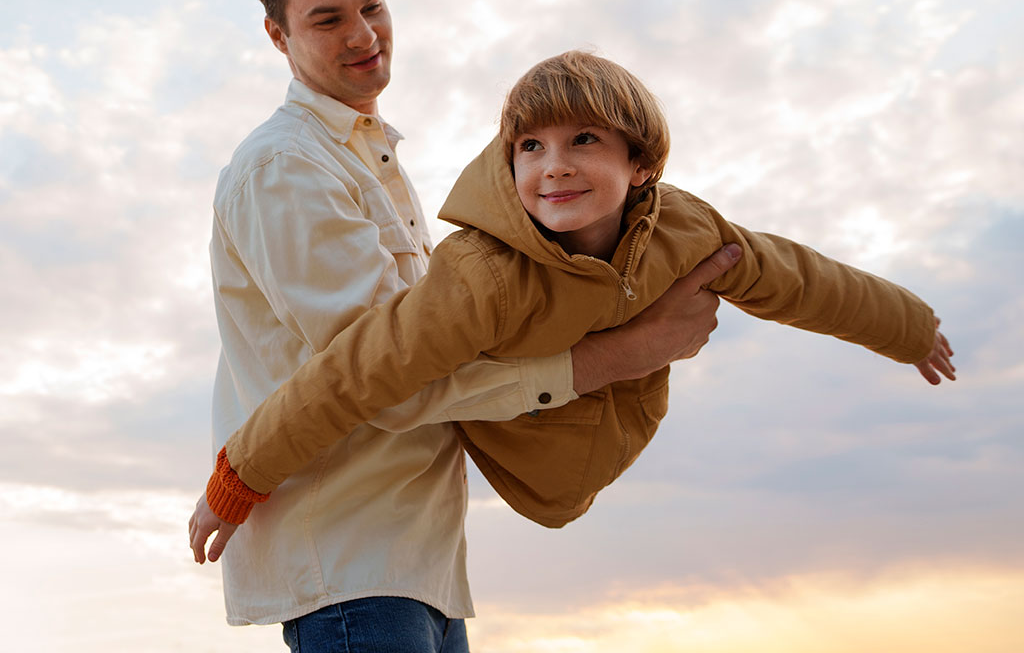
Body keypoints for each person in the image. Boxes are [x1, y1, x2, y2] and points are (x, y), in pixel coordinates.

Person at [192, 50, 955, 573]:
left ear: (640, 163)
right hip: (527, 443)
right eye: (530, 146)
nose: (553, 163)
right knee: (403, 362)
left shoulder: (689, 233)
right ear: (510, 162)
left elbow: (802, 279)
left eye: (583, 140)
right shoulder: (486, 277)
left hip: (614, 432)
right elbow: (352, 374)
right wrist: (240, 476)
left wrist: (909, 328)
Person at [193, 0, 739, 652]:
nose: (363, 35)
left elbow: (438, 343)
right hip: (351, 564)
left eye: (374, 6)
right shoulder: (286, 169)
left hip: (419, 565)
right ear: (277, 34)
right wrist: (621, 354)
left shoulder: (369, 158)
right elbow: (381, 374)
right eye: (327, 19)